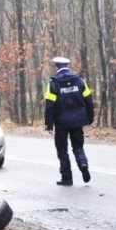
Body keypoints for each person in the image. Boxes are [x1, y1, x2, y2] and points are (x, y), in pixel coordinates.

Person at [44, 56, 95, 186]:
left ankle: (67, 178)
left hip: (61, 123)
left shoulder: (53, 83)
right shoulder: (79, 81)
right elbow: (89, 100)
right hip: (77, 121)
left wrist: (49, 124)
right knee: (78, 146)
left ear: (57, 67)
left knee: (62, 150)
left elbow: (50, 105)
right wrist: (90, 118)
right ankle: (83, 163)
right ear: (67, 66)